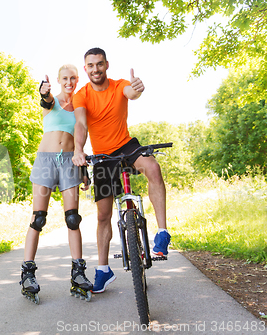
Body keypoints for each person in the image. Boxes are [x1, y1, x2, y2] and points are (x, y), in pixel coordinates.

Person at [72, 48, 171, 294]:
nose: (95, 69)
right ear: (86, 69)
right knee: (103, 215)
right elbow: (82, 124)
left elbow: (132, 93)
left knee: (152, 166)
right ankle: (104, 270)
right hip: (103, 156)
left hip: (126, 147)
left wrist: (137, 88)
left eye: (99, 64)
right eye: (90, 65)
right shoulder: (81, 95)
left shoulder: (119, 86)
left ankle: (162, 233)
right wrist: (78, 150)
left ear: (107, 65)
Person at [20, 64, 93, 302]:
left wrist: (83, 170)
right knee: (38, 218)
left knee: (73, 218)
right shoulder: (52, 101)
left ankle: (78, 273)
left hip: (70, 163)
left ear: (77, 78)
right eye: (65, 78)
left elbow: (82, 136)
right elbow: (46, 101)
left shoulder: (81, 107)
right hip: (45, 161)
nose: (69, 82)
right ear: (59, 80)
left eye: (73, 78)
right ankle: (27, 273)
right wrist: (44, 92)